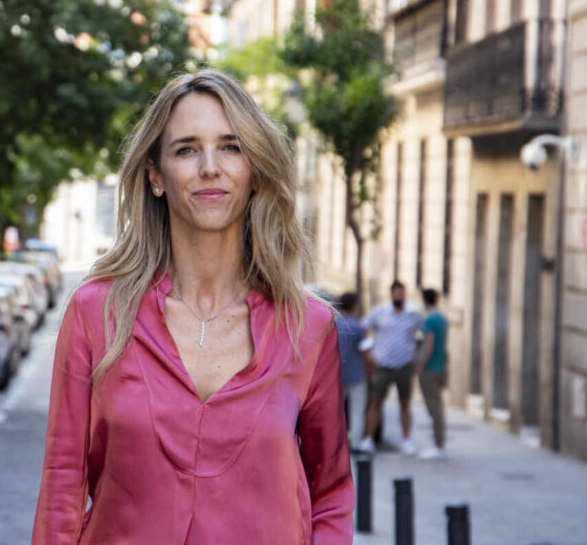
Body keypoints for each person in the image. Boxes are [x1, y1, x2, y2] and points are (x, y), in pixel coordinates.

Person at [32, 70, 353, 544]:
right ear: (156, 176)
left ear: (256, 174)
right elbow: (62, 486)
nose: (209, 167)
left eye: (231, 146)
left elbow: (331, 493)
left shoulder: (307, 326)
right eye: (186, 149)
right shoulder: (96, 313)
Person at [357, 281, 423, 455]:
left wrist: (416, 355)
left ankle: (406, 440)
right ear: (391, 294)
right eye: (396, 293)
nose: (399, 296)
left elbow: (423, 335)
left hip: (404, 366)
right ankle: (368, 438)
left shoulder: (413, 314)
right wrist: (368, 352)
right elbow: (361, 329)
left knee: (405, 403)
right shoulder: (380, 312)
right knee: (375, 402)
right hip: (382, 365)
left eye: (401, 293)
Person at [416, 288, 448, 459]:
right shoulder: (442, 318)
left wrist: (421, 366)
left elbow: (429, 343)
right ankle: (439, 442)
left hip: (430, 368)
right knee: (438, 406)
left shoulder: (429, 319)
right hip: (440, 367)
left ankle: (438, 444)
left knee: (434, 407)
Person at [336, 292, 367, 448]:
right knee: (357, 409)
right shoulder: (357, 326)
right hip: (356, 374)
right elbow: (364, 350)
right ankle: (355, 443)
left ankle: (334, 442)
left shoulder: (333, 323)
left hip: (336, 374)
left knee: (336, 410)